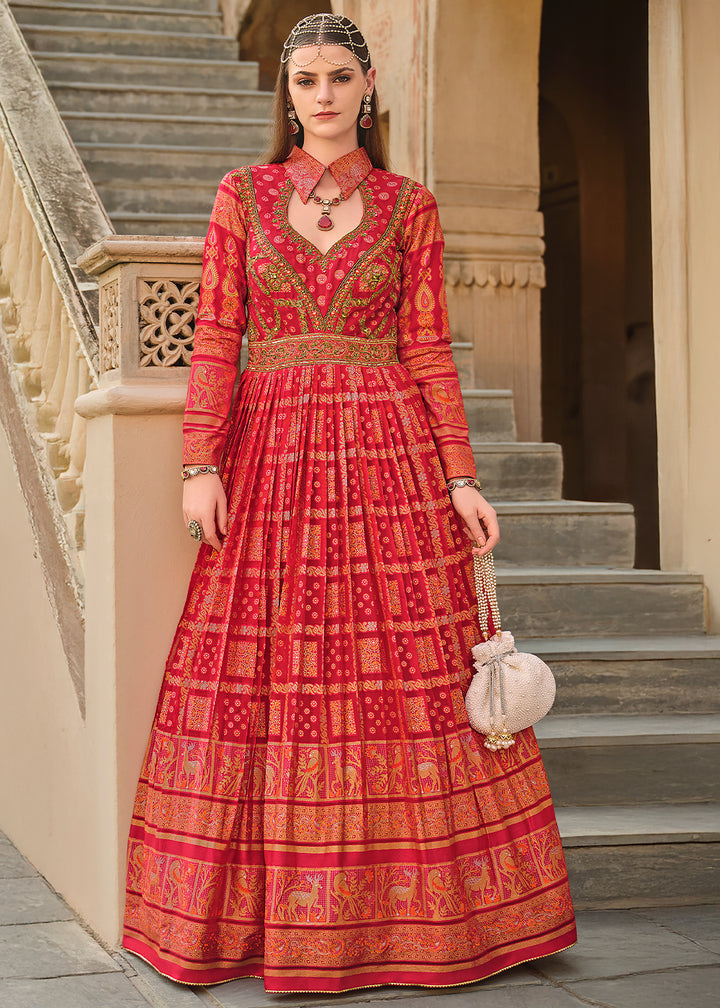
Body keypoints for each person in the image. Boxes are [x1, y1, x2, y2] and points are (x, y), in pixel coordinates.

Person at [122, 12, 576, 993]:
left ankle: (420, 925)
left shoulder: (410, 207)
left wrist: (461, 477)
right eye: (305, 80)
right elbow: (215, 336)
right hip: (273, 454)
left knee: (404, 683)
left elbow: (425, 349)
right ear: (286, 95)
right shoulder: (241, 197)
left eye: (337, 77)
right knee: (272, 679)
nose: (321, 96)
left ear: (368, 87)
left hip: (389, 460)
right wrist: (200, 462)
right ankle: (263, 924)